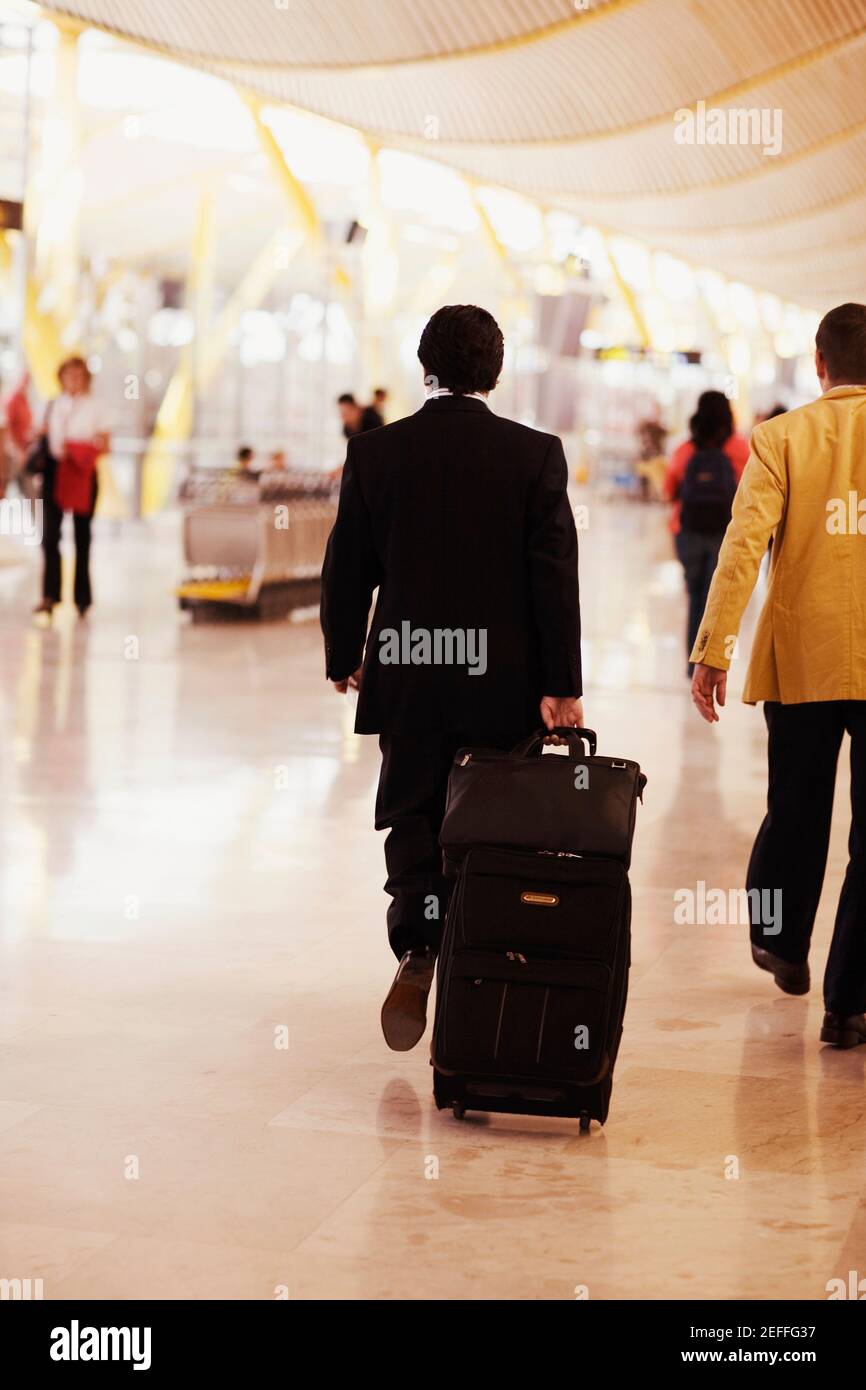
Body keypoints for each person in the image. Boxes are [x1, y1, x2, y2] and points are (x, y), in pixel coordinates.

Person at [321, 304, 582, 1052]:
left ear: (424, 367)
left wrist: (346, 654)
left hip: (409, 670)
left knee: (412, 811)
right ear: (494, 373)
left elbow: (347, 567)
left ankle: (417, 943)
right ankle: (480, 955)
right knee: (492, 821)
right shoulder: (535, 455)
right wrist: (561, 683)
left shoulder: (377, 453)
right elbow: (553, 576)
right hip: (503, 681)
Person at [691, 302, 866, 1050]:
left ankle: (781, 941)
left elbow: (742, 546)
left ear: (819, 364)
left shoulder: (781, 437)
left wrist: (714, 647)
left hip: (801, 656)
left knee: (795, 806)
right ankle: (850, 1003)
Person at [664, 391, 749, 675]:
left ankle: (692, 662)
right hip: (724, 532)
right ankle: (707, 661)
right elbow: (750, 491)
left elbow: (669, 490)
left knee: (695, 596)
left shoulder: (685, 450)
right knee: (715, 600)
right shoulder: (740, 448)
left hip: (686, 530)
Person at [35, 356, 110, 618]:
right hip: (55, 471)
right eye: (69, 375)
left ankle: (82, 598)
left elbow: (105, 444)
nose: (73, 380)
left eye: (78, 375)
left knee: (82, 536)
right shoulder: (52, 404)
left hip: (82, 473)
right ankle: (50, 595)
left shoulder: (96, 406)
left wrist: (79, 450)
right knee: (50, 536)